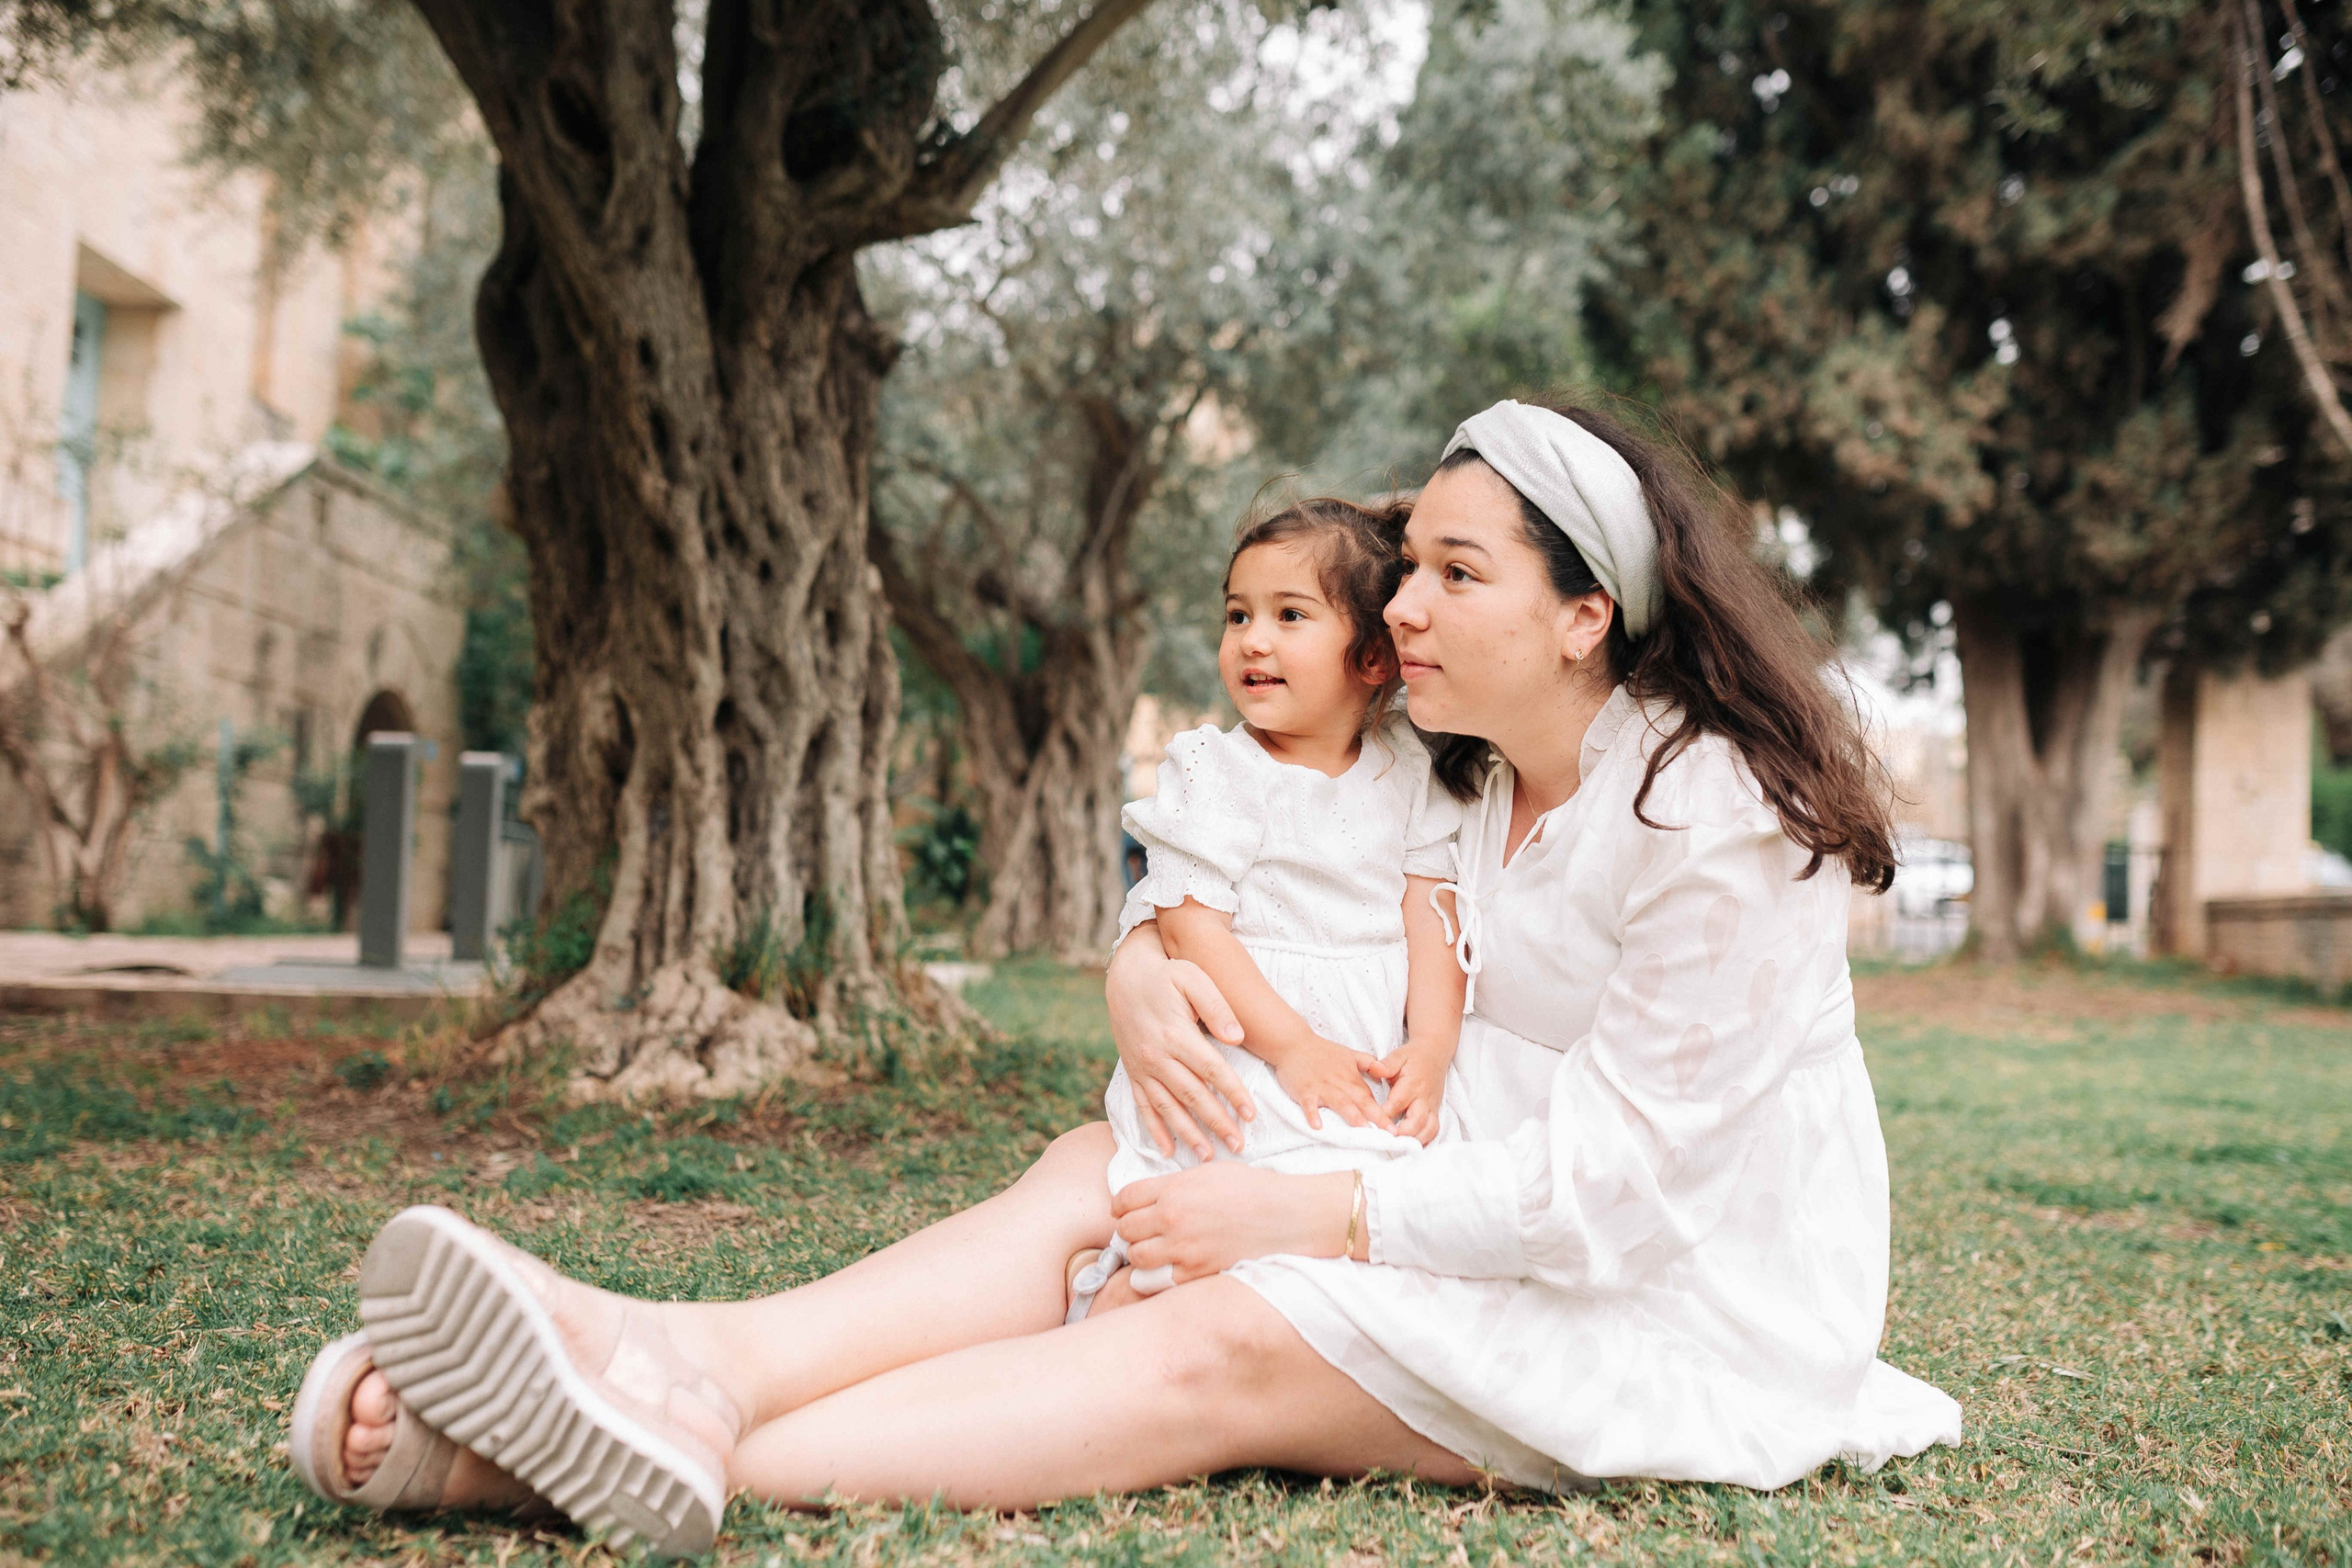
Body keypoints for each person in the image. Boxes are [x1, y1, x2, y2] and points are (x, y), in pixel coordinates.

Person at [288, 399, 1962, 1558]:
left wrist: (1300, 1216)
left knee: (1223, 1334)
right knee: (1097, 1172)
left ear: (1590, 610)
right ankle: (674, 1353)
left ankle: (547, 1461)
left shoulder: (1716, 815)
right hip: (1437, 1173)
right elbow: (1244, 862)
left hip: (1670, 1297)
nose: (1412, 608)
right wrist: (1138, 970)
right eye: (1412, 571)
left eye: (1462, 573)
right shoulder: (1453, 757)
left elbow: (1613, 1200)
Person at [1071, 496, 1466, 1318]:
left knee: (1331, 1240)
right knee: (1205, 1216)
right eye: (1237, 614)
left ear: (1373, 660)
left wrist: (1429, 1046)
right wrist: (1290, 1047)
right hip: (1254, 1050)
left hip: (1361, 1052)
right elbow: (1188, 921)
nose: (1252, 639)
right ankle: (1117, 1311)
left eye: (1291, 615)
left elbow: (1431, 914)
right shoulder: (1218, 770)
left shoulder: (1408, 770)